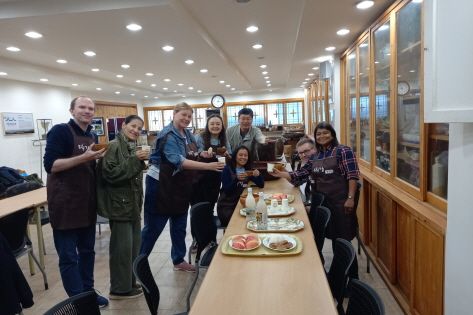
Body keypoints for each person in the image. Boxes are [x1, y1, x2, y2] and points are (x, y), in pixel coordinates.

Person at [140, 102, 224, 272]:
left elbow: (193, 152)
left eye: (189, 116)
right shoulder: (167, 135)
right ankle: (138, 262)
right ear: (175, 113)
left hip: (179, 186)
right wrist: (209, 166)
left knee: (179, 226)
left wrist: (202, 154)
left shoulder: (186, 133)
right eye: (183, 115)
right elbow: (180, 161)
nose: (186, 119)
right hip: (160, 186)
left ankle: (178, 259)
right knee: (153, 228)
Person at [43, 96, 109, 307]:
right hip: (65, 204)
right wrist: (85, 158)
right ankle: (78, 301)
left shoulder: (90, 135)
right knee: (69, 257)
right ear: (72, 110)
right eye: (82, 107)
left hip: (86, 204)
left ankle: (88, 292)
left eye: (91, 108)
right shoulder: (60, 131)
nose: (87, 111)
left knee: (88, 252)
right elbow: (51, 165)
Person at [272, 121, 360, 278]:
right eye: (318, 133)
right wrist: (281, 174)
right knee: (333, 239)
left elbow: (352, 176)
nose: (322, 136)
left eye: (325, 132)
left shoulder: (343, 151)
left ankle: (351, 281)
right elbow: (300, 175)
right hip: (324, 205)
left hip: (341, 203)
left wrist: (350, 198)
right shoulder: (316, 156)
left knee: (342, 242)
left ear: (332, 134)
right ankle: (337, 276)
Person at [96, 115, 148, 300]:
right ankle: (119, 289)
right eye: (133, 126)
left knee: (133, 248)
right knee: (121, 250)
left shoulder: (132, 145)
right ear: (124, 125)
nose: (135, 130)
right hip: (119, 207)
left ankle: (130, 284)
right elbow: (110, 174)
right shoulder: (113, 146)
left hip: (132, 206)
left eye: (139, 128)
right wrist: (136, 160)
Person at [216, 145, 264, 227]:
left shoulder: (246, 169)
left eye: (246, 155)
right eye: (240, 155)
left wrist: (258, 175)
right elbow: (227, 190)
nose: (243, 157)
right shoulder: (227, 169)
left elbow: (261, 184)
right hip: (227, 207)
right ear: (235, 156)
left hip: (241, 204)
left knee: (258, 217)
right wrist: (236, 179)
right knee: (241, 224)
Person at [191, 114, 231, 209]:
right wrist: (201, 154)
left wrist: (227, 155)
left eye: (218, 124)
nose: (215, 126)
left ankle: (209, 221)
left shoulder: (224, 139)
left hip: (215, 177)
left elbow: (230, 155)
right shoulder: (200, 137)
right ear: (207, 126)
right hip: (199, 176)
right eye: (212, 124)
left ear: (222, 126)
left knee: (211, 202)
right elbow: (193, 153)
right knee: (198, 205)